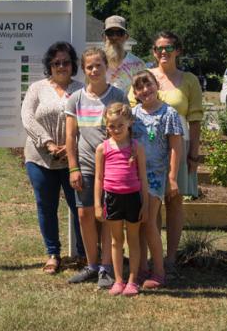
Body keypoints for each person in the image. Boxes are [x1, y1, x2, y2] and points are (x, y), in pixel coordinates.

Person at [141, 31, 203, 270]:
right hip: (150, 149)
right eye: (158, 49)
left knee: (174, 200)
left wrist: (194, 154)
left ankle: (171, 257)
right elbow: (133, 109)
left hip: (180, 146)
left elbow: (195, 119)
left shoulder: (188, 80)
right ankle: (153, 257)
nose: (163, 53)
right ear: (153, 52)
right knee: (152, 201)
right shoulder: (145, 78)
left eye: (168, 48)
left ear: (178, 50)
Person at [64, 47, 126, 284]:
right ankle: (91, 265)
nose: (94, 70)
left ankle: (107, 267)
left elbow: (127, 131)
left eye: (98, 65)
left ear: (106, 67)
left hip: (113, 167)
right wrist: (73, 168)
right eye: (89, 66)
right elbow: (70, 137)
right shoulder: (76, 99)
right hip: (86, 167)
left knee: (110, 217)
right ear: (83, 70)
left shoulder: (117, 96)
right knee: (84, 214)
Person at [21, 41, 84, 274]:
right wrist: (47, 142)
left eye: (66, 62)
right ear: (49, 65)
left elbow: (87, 122)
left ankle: (83, 254)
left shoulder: (81, 90)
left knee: (79, 206)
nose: (61, 66)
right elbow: (27, 117)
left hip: (72, 159)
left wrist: (70, 148)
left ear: (73, 65)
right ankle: (53, 254)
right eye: (56, 62)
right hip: (40, 157)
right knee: (46, 207)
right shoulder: (37, 88)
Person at [131, 70, 182, 288]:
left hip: (155, 174)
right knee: (138, 223)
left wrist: (172, 177)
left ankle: (159, 271)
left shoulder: (168, 114)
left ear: (156, 85)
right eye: (140, 87)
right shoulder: (132, 115)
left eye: (148, 84)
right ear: (135, 92)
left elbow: (175, 148)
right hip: (134, 175)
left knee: (150, 222)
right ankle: (141, 268)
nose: (145, 90)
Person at [94, 103, 148, 295]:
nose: (116, 130)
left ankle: (132, 281)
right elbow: (99, 178)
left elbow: (143, 177)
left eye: (120, 126)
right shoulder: (103, 148)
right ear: (106, 126)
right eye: (111, 126)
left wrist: (146, 204)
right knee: (116, 240)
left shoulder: (136, 147)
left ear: (129, 124)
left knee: (133, 240)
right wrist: (98, 204)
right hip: (112, 198)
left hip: (133, 198)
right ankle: (118, 280)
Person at [103, 15, 146, 93]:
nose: (114, 37)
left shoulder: (138, 64)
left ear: (126, 37)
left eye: (119, 33)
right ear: (104, 37)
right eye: (110, 33)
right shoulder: (96, 62)